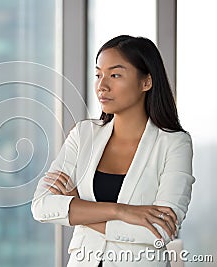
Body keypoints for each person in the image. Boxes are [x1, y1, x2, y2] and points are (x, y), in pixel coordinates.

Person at [31, 35, 195, 267]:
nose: (102, 85)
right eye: (98, 75)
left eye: (115, 75)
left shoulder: (175, 143)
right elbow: (42, 206)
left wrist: (79, 209)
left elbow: (160, 231)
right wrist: (121, 212)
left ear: (146, 82)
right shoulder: (83, 134)